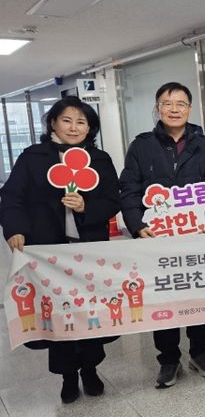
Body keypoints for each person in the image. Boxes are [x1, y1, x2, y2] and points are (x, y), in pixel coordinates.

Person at [0, 96, 121, 403]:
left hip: (89, 250)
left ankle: (90, 370)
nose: (74, 127)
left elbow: (112, 200)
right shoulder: (33, 157)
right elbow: (12, 197)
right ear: (52, 123)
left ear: (90, 128)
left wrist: (85, 207)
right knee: (58, 313)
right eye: (67, 120)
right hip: (47, 252)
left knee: (90, 311)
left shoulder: (100, 159)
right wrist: (15, 229)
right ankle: (68, 376)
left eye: (81, 122)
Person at [119, 82, 205, 388]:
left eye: (181, 104)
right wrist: (137, 225)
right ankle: (168, 360)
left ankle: (201, 353)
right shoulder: (141, 146)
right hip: (157, 239)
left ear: (190, 108)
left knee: (198, 295)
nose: (174, 109)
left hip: (197, 237)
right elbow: (129, 189)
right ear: (158, 108)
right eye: (167, 103)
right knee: (163, 296)